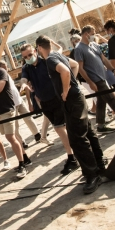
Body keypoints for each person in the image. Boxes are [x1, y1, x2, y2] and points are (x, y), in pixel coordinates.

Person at [35, 35, 106, 194]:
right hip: (76, 99)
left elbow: (66, 71)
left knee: (77, 139)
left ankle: (92, 174)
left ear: (39, 48)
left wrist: (66, 91)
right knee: (88, 132)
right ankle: (99, 165)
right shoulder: (57, 54)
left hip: (72, 100)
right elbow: (72, 65)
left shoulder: (51, 60)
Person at [20, 43, 79, 175]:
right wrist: (24, 85)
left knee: (60, 128)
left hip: (57, 99)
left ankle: (72, 157)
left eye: (30, 54)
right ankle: (74, 154)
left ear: (35, 51)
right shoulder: (26, 68)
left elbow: (72, 66)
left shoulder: (47, 61)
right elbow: (23, 79)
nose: (28, 57)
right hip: (45, 103)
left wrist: (68, 87)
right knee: (61, 128)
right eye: (25, 56)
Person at [0, 60, 41, 146]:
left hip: (19, 100)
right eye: (3, 66)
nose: (6, 67)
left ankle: (37, 134)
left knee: (28, 117)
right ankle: (21, 141)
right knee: (15, 125)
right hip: (11, 104)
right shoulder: (0, 77)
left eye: (6, 65)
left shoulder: (7, 74)